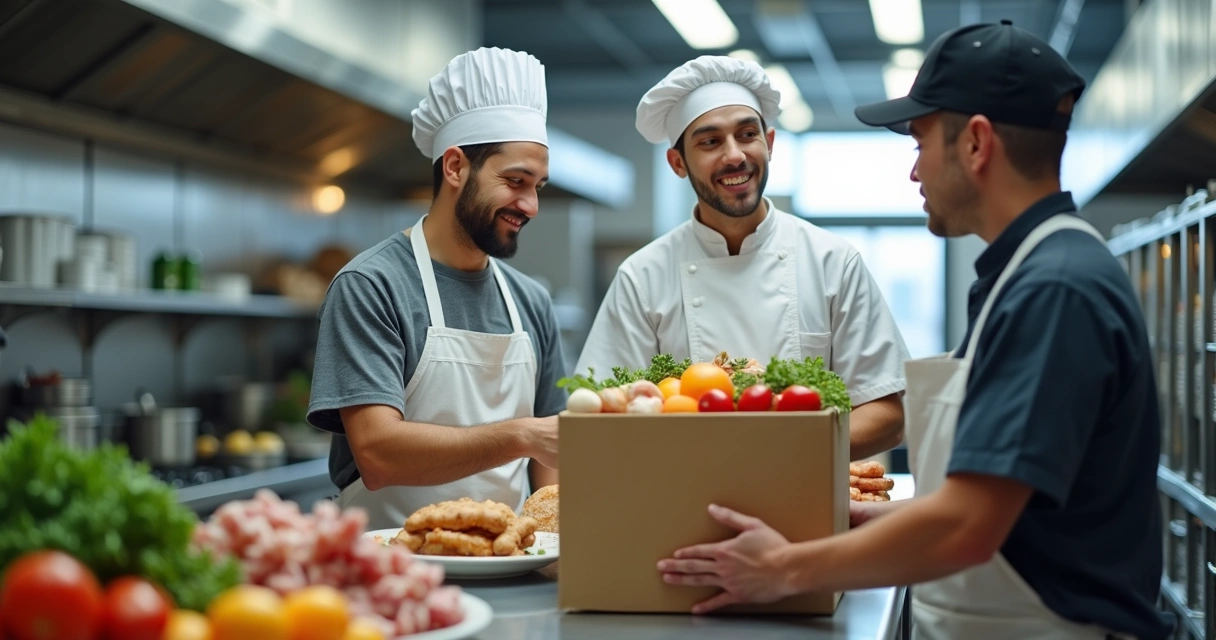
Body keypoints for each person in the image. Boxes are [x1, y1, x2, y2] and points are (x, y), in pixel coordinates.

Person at [656, 20, 1175, 640]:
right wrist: (856, 522)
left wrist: (783, 569)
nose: (913, 172)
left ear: (977, 144)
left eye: (919, 141)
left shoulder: (1055, 289)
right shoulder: (1028, 274)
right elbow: (1013, 507)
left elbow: (967, 525)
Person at [575, 55, 909, 459]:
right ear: (678, 163)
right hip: (683, 502)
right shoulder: (643, 275)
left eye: (747, 134)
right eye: (710, 141)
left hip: (808, 498)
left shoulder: (833, 261)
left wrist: (783, 453)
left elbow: (888, 412)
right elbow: (600, 410)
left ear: (768, 143)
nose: (734, 155)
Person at [306, 47, 566, 531]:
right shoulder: (372, 285)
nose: (530, 204)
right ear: (454, 168)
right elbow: (379, 455)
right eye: (515, 181)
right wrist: (522, 435)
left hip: (510, 566)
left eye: (538, 186)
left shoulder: (531, 300)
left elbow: (549, 462)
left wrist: (553, 544)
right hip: (389, 577)